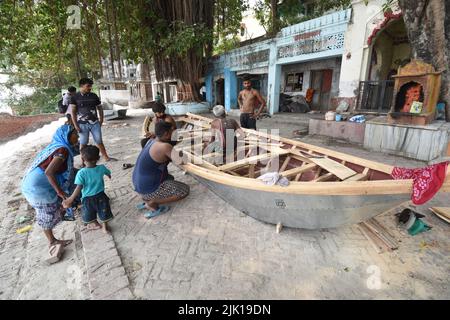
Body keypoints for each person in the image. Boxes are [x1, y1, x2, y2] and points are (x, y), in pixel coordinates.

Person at [21, 125, 79, 261]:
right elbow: (49, 172)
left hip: (34, 182)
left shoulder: (58, 145)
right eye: (75, 134)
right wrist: (59, 191)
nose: (77, 136)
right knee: (46, 214)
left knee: (52, 209)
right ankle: (52, 241)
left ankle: (54, 236)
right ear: (67, 136)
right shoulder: (62, 150)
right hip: (37, 187)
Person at [133, 122, 189, 218]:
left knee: (170, 178)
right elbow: (181, 161)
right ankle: (153, 202)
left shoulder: (150, 140)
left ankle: (147, 199)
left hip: (139, 185)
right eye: (172, 132)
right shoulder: (164, 146)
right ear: (166, 134)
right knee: (184, 190)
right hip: (147, 189)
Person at [62, 145, 113, 234]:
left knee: (89, 213)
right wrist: (108, 175)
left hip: (87, 199)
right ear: (98, 158)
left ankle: (95, 224)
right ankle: (105, 227)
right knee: (104, 211)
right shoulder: (101, 168)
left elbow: (79, 187)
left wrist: (71, 198)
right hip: (101, 195)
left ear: (83, 159)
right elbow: (108, 172)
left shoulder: (81, 173)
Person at [69, 78, 116, 163]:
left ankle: (106, 157)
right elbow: (73, 112)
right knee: (83, 143)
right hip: (82, 124)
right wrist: (76, 125)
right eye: (88, 86)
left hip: (95, 123)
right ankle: (83, 161)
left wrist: (101, 120)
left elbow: (100, 108)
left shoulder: (94, 96)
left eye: (90, 86)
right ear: (81, 86)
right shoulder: (74, 97)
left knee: (99, 141)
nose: (90, 87)